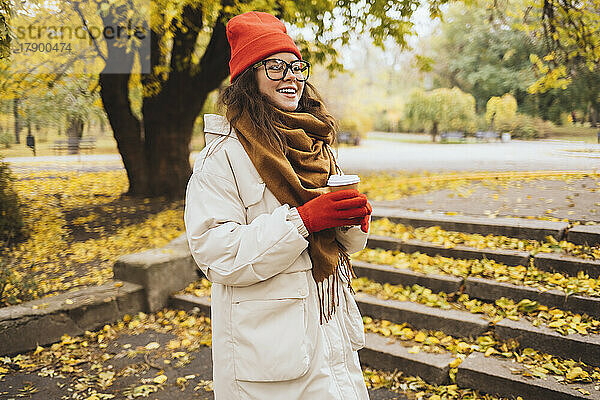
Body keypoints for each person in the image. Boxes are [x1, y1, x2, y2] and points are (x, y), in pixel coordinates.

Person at [184, 11, 373, 400]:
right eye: (275, 67)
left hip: (328, 329)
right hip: (270, 352)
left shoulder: (314, 142)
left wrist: (352, 221)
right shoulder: (223, 155)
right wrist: (302, 222)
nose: (291, 76)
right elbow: (215, 252)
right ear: (249, 76)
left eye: (296, 66)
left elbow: (345, 247)